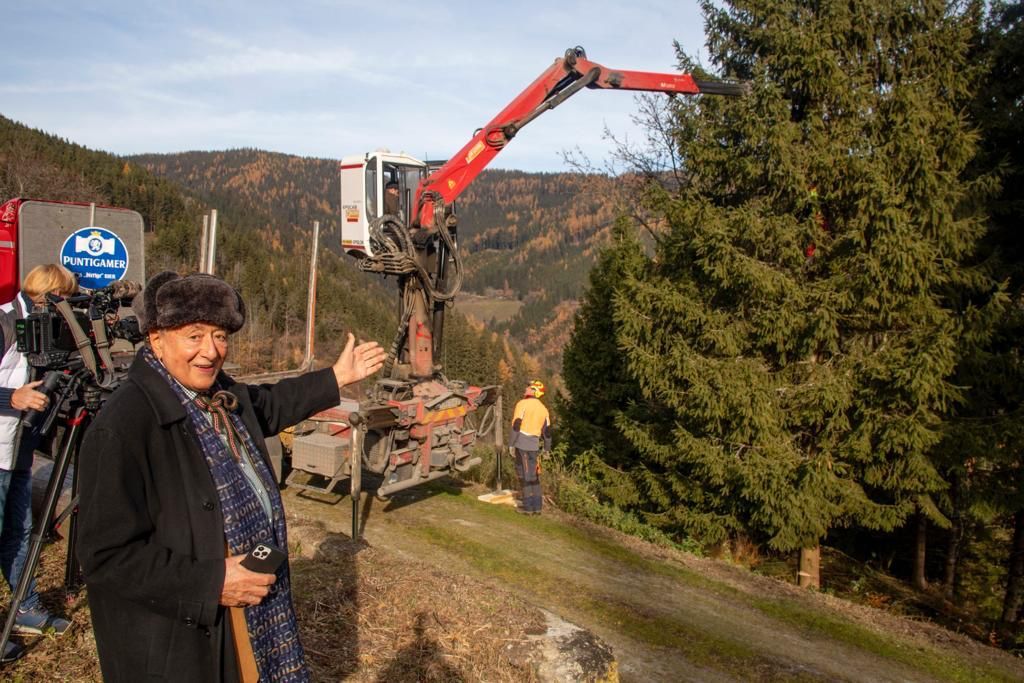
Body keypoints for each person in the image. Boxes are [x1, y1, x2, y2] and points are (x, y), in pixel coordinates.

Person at [76, 271, 387, 682]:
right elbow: (106, 557)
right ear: (156, 338)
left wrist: (335, 378)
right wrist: (212, 581)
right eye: (194, 335)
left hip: (242, 620)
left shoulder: (217, 398)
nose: (211, 351)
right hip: (179, 643)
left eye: (220, 336)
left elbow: (270, 405)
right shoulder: (124, 427)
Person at [0, 264, 77, 664]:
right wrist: (9, 400)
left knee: (21, 530)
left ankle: (25, 607)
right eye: (62, 299)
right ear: (46, 296)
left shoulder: (44, 333)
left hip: (19, 451)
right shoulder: (4, 322)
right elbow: (15, 392)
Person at [508, 380, 551, 515]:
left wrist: (511, 444)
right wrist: (547, 450)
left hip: (522, 445)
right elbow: (547, 432)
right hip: (534, 446)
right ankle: (537, 507)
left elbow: (516, 425)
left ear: (533, 391)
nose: (525, 388)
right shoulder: (544, 409)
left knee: (525, 475)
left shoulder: (522, 404)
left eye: (528, 387)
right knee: (534, 475)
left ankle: (528, 508)